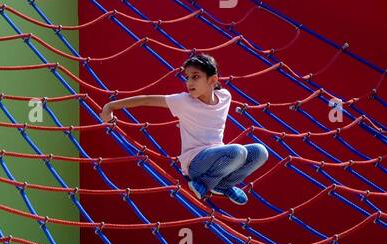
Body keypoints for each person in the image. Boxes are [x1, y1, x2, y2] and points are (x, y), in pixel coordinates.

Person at [99, 52, 269, 205]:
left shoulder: (225, 96)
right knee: (237, 152)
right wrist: (111, 106)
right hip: (195, 163)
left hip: (218, 159)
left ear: (212, 80)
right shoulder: (183, 101)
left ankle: (224, 186)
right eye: (187, 77)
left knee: (260, 152)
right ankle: (204, 184)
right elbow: (146, 100)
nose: (189, 82)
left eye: (195, 77)